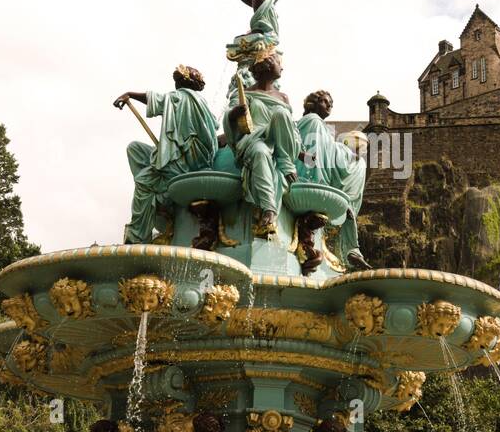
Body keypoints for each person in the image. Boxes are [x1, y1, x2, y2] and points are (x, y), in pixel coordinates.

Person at [113, 65, 219, 244]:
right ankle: (160, 197)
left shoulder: (180, 97)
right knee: (136, 149)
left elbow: (156, 99)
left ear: (182, 82)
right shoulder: (199, 102)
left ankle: (138, 237)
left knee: (143, 182)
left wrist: (130, 94)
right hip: (184, 156)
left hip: (184, 161)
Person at [222, 51, 300, 236]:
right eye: (279, 63)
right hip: (256, 140)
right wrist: (236, 113)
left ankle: (285, 162)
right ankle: (269, 209)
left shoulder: (283, 98)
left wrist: (302, 153)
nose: (282, 67)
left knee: (281, 114)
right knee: (259, 152)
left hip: (281, 141)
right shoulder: (246, 93)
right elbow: (229, 117)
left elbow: (292, 128)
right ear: (267, 66)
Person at [297, 90, 370, 270]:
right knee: (345, 206)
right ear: (313, 103)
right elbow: (315, 155)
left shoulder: (320, 128)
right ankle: (350, 250)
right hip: (309, 179)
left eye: (331, 103)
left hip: (311, 179)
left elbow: (326, 151)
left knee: (348, 211)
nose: (329, 105)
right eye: (325, 101)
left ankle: (352, 250)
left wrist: (351, 155)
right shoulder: (314, 122)